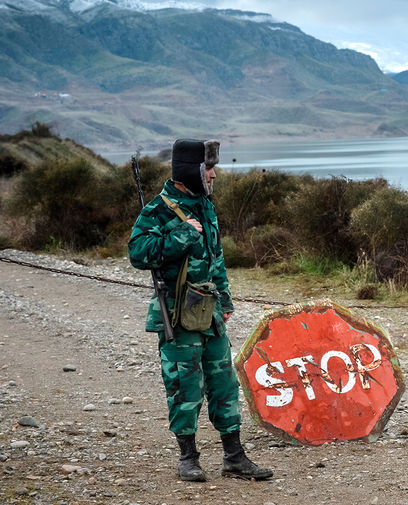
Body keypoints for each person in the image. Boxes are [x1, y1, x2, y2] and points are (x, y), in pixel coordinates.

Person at [129, 139, 273, 481]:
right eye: (208, 168)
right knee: (184, 385)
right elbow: (137, 252)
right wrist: (180, 234)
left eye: (213, 167)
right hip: (178, 314)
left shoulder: (205, 205)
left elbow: (216, 257)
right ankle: (188, 457)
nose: (213, 174)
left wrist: (225, 300)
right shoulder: (158, 209)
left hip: (209, 312)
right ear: (190, 170)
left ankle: (234, 457)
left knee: (224, 383)